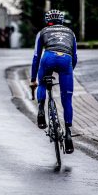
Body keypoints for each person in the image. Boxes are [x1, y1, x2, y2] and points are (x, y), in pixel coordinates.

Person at [30, 9, 77, 154]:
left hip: (48, 57)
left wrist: (33, 79)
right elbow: (74, 56)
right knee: (67, 99)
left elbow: (36, 56)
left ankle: (41, 110)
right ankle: (68, 134)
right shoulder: (71, 33)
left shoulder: (43, 32)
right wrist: (68, 71)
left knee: (42, 83)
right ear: (62, 21)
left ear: (48, 21)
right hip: (66, 60)